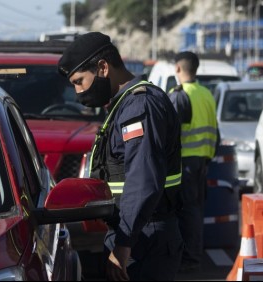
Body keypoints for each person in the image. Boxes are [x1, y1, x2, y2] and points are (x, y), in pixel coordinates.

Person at [58, 32, 183, 281]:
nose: (78, 92)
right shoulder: (124, 104)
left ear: (103, 67)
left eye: (79, 81)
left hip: (144, 237)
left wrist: (124, 243)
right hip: (136, 232)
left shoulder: (140, 106)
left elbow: (143, 179)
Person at [167, 51, 219, 272]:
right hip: (202, 160)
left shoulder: (178, 94)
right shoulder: (206, 93)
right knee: (195, 209)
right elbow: (215, 129)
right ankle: (194, 254)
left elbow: (169, 132)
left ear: (178, 68)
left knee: (187, 210)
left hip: (185, 162)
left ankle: (190, 258)